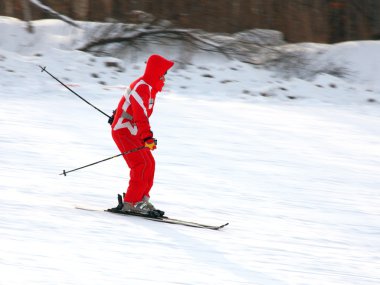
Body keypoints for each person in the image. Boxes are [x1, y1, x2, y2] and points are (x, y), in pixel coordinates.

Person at [111, 54, 174, 214]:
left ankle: (142, 200)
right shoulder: (142, 87)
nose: (165, 79)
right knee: (140, 165)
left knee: (149, 163)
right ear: (157, 73)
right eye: (163, 74)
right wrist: (147, 137)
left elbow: (134, 109)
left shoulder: (150, 88)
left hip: (133, 131)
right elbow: (140, 115)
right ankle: (131, 203)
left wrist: (119, 112)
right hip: (123, 131)